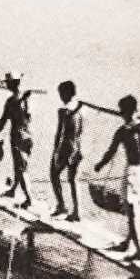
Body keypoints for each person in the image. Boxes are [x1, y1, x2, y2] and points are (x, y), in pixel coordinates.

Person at [93, 94, 140, 262]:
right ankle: (129, 242)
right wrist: (101, 164)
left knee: (133, 211)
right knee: (132, 209)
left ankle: (139, 251)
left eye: (125, 112)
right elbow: (111, 151)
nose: (123, 115)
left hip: (138, 172)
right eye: (122, 112)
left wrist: (100, 164)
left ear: (133, 110)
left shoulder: (139, 129)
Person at [0, 72, 33, 206]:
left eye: (8, 83)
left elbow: (3, 120)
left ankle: (29, 198)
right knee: (20, 165)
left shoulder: (11, 101)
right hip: (28, 135)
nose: (7, 85)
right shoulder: (26, 99)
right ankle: (14, 190)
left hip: (17, 136)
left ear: (11, 84)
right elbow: (29, 117)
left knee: (20, 168)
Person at [49, 80, 84, 221]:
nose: (60, 96)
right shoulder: (80, 110)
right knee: (73, 179)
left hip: (66, 147)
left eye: (61, 93)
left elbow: (59, 133)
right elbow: (80, 131)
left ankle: (61, 205)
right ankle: (77, 211)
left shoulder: (63, 111)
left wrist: (55, 151)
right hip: (77, 147)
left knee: (54, 174)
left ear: (67, 93)